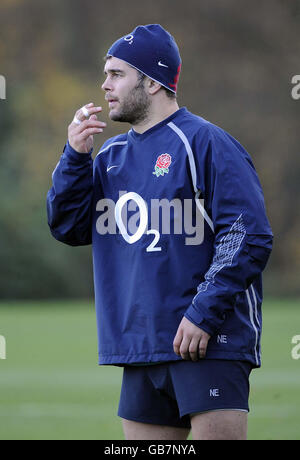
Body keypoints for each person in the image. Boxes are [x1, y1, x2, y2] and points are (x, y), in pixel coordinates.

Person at [47, 24, 273, 440]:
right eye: (105, 73)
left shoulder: (205, 142)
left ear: (152, 82)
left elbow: (246, 234)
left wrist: (203, 314)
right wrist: (76, 159)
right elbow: (69, 226)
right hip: (140, 347)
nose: (105, 85)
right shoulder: (110, 157)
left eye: (117, 74)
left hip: (208, 341)